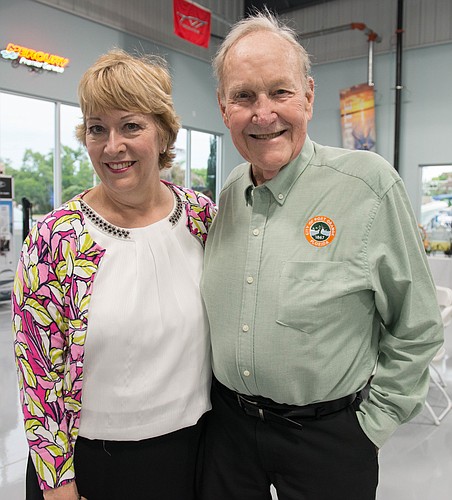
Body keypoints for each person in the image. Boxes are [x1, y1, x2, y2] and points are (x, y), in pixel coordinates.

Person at [199, 11, 444, 500]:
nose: (263, 113)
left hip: (328, 439)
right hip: (227, 434)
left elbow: (417, 325)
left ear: (308, 96)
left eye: (280, 92)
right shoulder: (228, 194)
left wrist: (370, 427)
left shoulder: (368, 186)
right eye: (244, 96)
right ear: (224, 108)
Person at [12, 49, 216, 500]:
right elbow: (38, 372)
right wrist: (57, 482)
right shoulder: (56, 239)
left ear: (163, 133)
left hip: (192, 453)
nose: (112, 146)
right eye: (97, 129)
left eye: (131, 126)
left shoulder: (203, 220)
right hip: (89, 465)